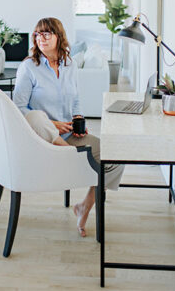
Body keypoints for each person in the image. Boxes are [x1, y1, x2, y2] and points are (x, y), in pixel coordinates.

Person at [12, 17, 124, 237]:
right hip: (43, 137)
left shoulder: (69, 64)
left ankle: (84, 206)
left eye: (46, 33)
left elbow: (75, 100)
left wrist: (79, 119)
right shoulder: (29, 67)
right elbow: (18, 108)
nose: (40, 38)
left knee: (115, 157)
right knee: (35, 116)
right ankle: (71, 155)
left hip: (69, 136)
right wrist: (53, 124)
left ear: (58, 36)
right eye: (37, 34)